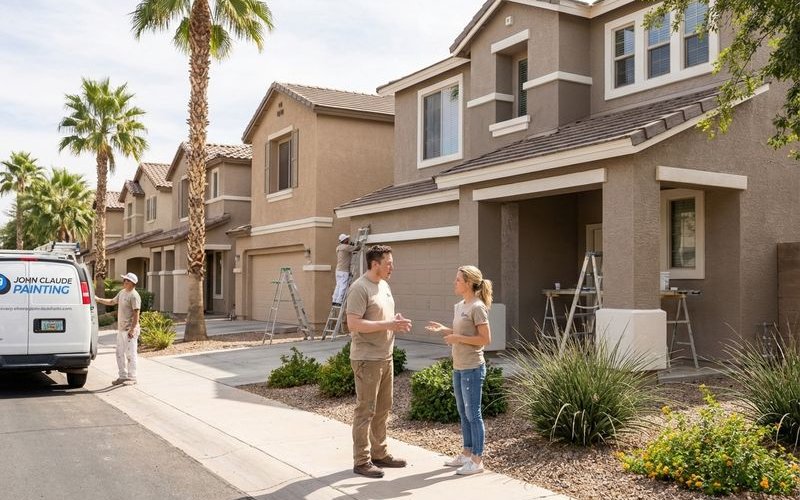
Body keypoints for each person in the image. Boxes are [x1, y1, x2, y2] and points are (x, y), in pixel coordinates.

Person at [346, 244, 412, 478]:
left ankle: (379, 454)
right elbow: (353, 324)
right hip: (367, 358)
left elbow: (380, 317)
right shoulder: (360, 288)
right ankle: (361, 461)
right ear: (375, 264)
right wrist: (388, 325)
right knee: (366, 410)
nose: (392, 267)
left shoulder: (384, 285)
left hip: (386, 356)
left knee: (383, 409)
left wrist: (396, 321)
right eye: (389, 264)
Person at [425, 265, 493, 476]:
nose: (454, 283)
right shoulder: (459, 306)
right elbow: (461, 332)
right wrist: (445, 330)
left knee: (474, 414)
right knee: (463, 413)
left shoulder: (477, 307)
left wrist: (457, 338)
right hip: (458, 366)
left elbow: (485, 339)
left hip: (473, 367)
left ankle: (477, 460)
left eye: (457, 280)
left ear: (469, 283)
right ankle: (466, 453)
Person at [95, 272, 142, 386]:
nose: (124, 282)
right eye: (124, 280)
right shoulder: (122, 293)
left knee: (131, 354)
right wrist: (98, 299)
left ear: (133, 283)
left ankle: (132, 377)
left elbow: (136, 314)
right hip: (121, 330)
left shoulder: (134, 296)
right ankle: (122, 376)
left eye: (127, 280)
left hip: (129, 330)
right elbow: (112, 302)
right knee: (119, 353)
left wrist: (132, 329)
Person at [332, 233, 358, 306]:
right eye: (347, 239)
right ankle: (339, 301)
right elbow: (357, 248)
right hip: (344, 270)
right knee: (343, 286)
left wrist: (350, 245)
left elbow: (348, 250)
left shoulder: (338, 248)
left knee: (338, 285)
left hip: (338, 270)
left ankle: (334, 299)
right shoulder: (346, 247)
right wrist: (354, 245)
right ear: (345, 240)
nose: (348, 240)